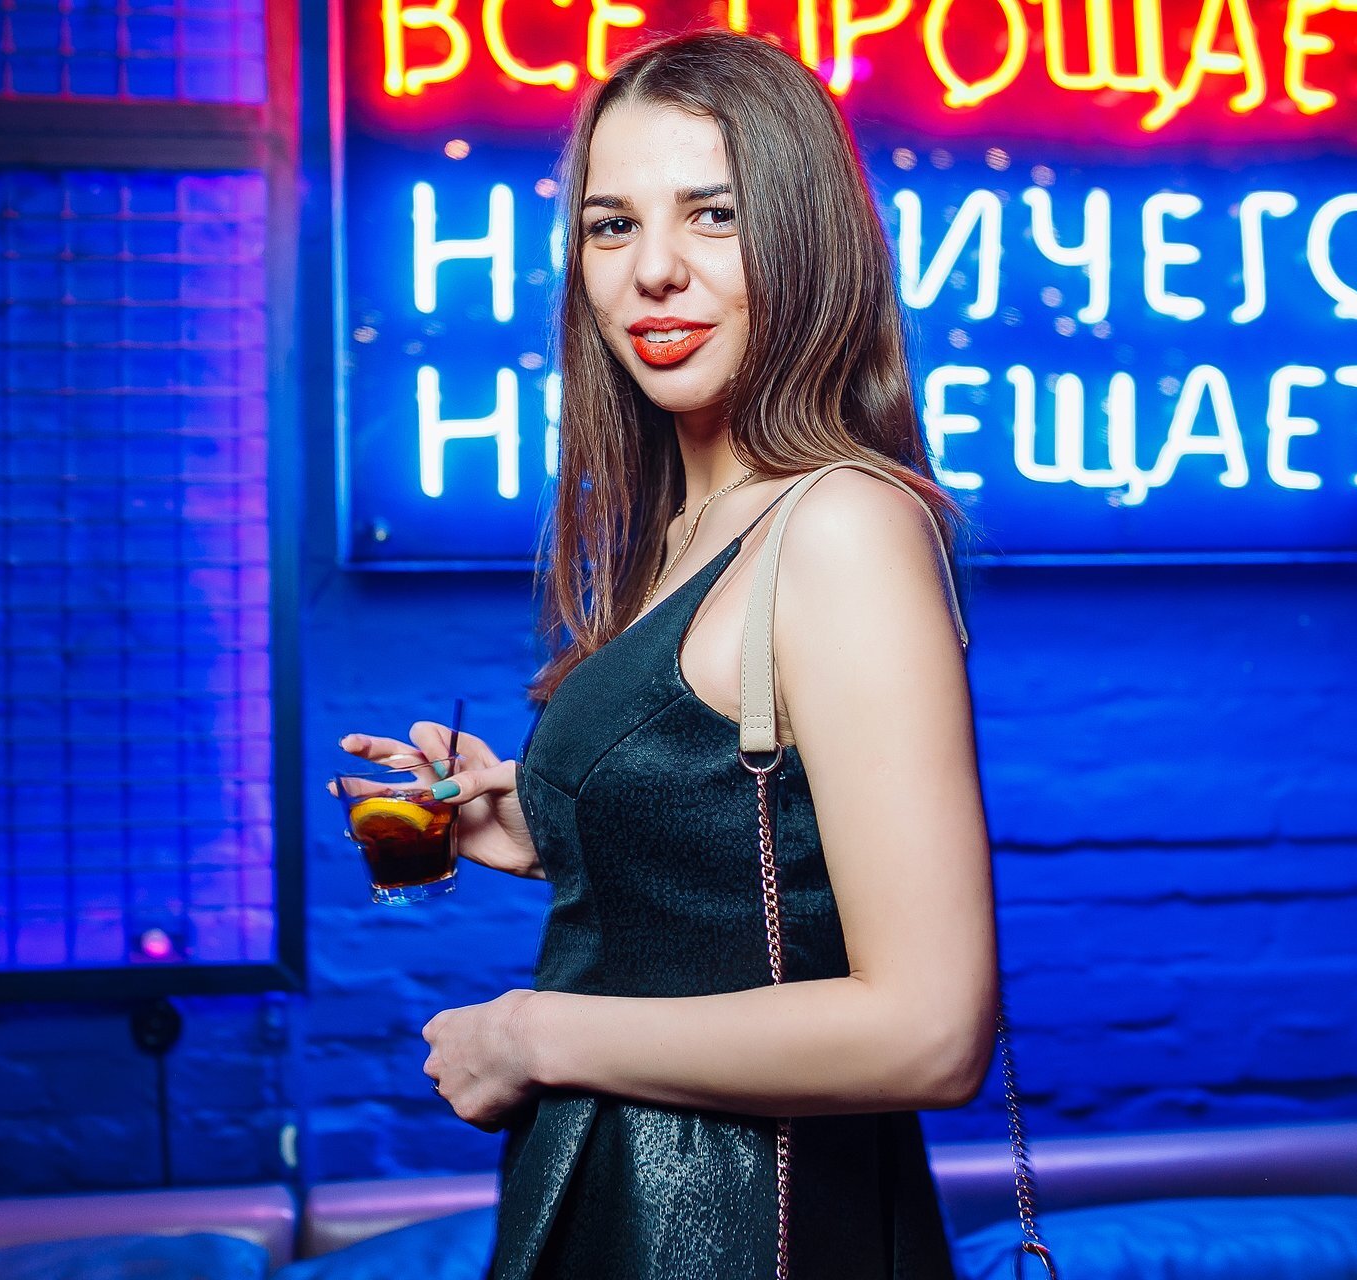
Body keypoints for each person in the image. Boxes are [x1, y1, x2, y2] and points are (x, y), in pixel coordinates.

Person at [336, 27, 999, 1279]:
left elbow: (931, 1028)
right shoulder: (692, 525)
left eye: (713, 215)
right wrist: (557, 824)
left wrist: (532, 1035)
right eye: (611, 225)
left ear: (806, 237)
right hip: (632, 1212)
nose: (653, 270)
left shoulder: (841, 523)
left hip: (751, 1232)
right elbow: (762, 865)